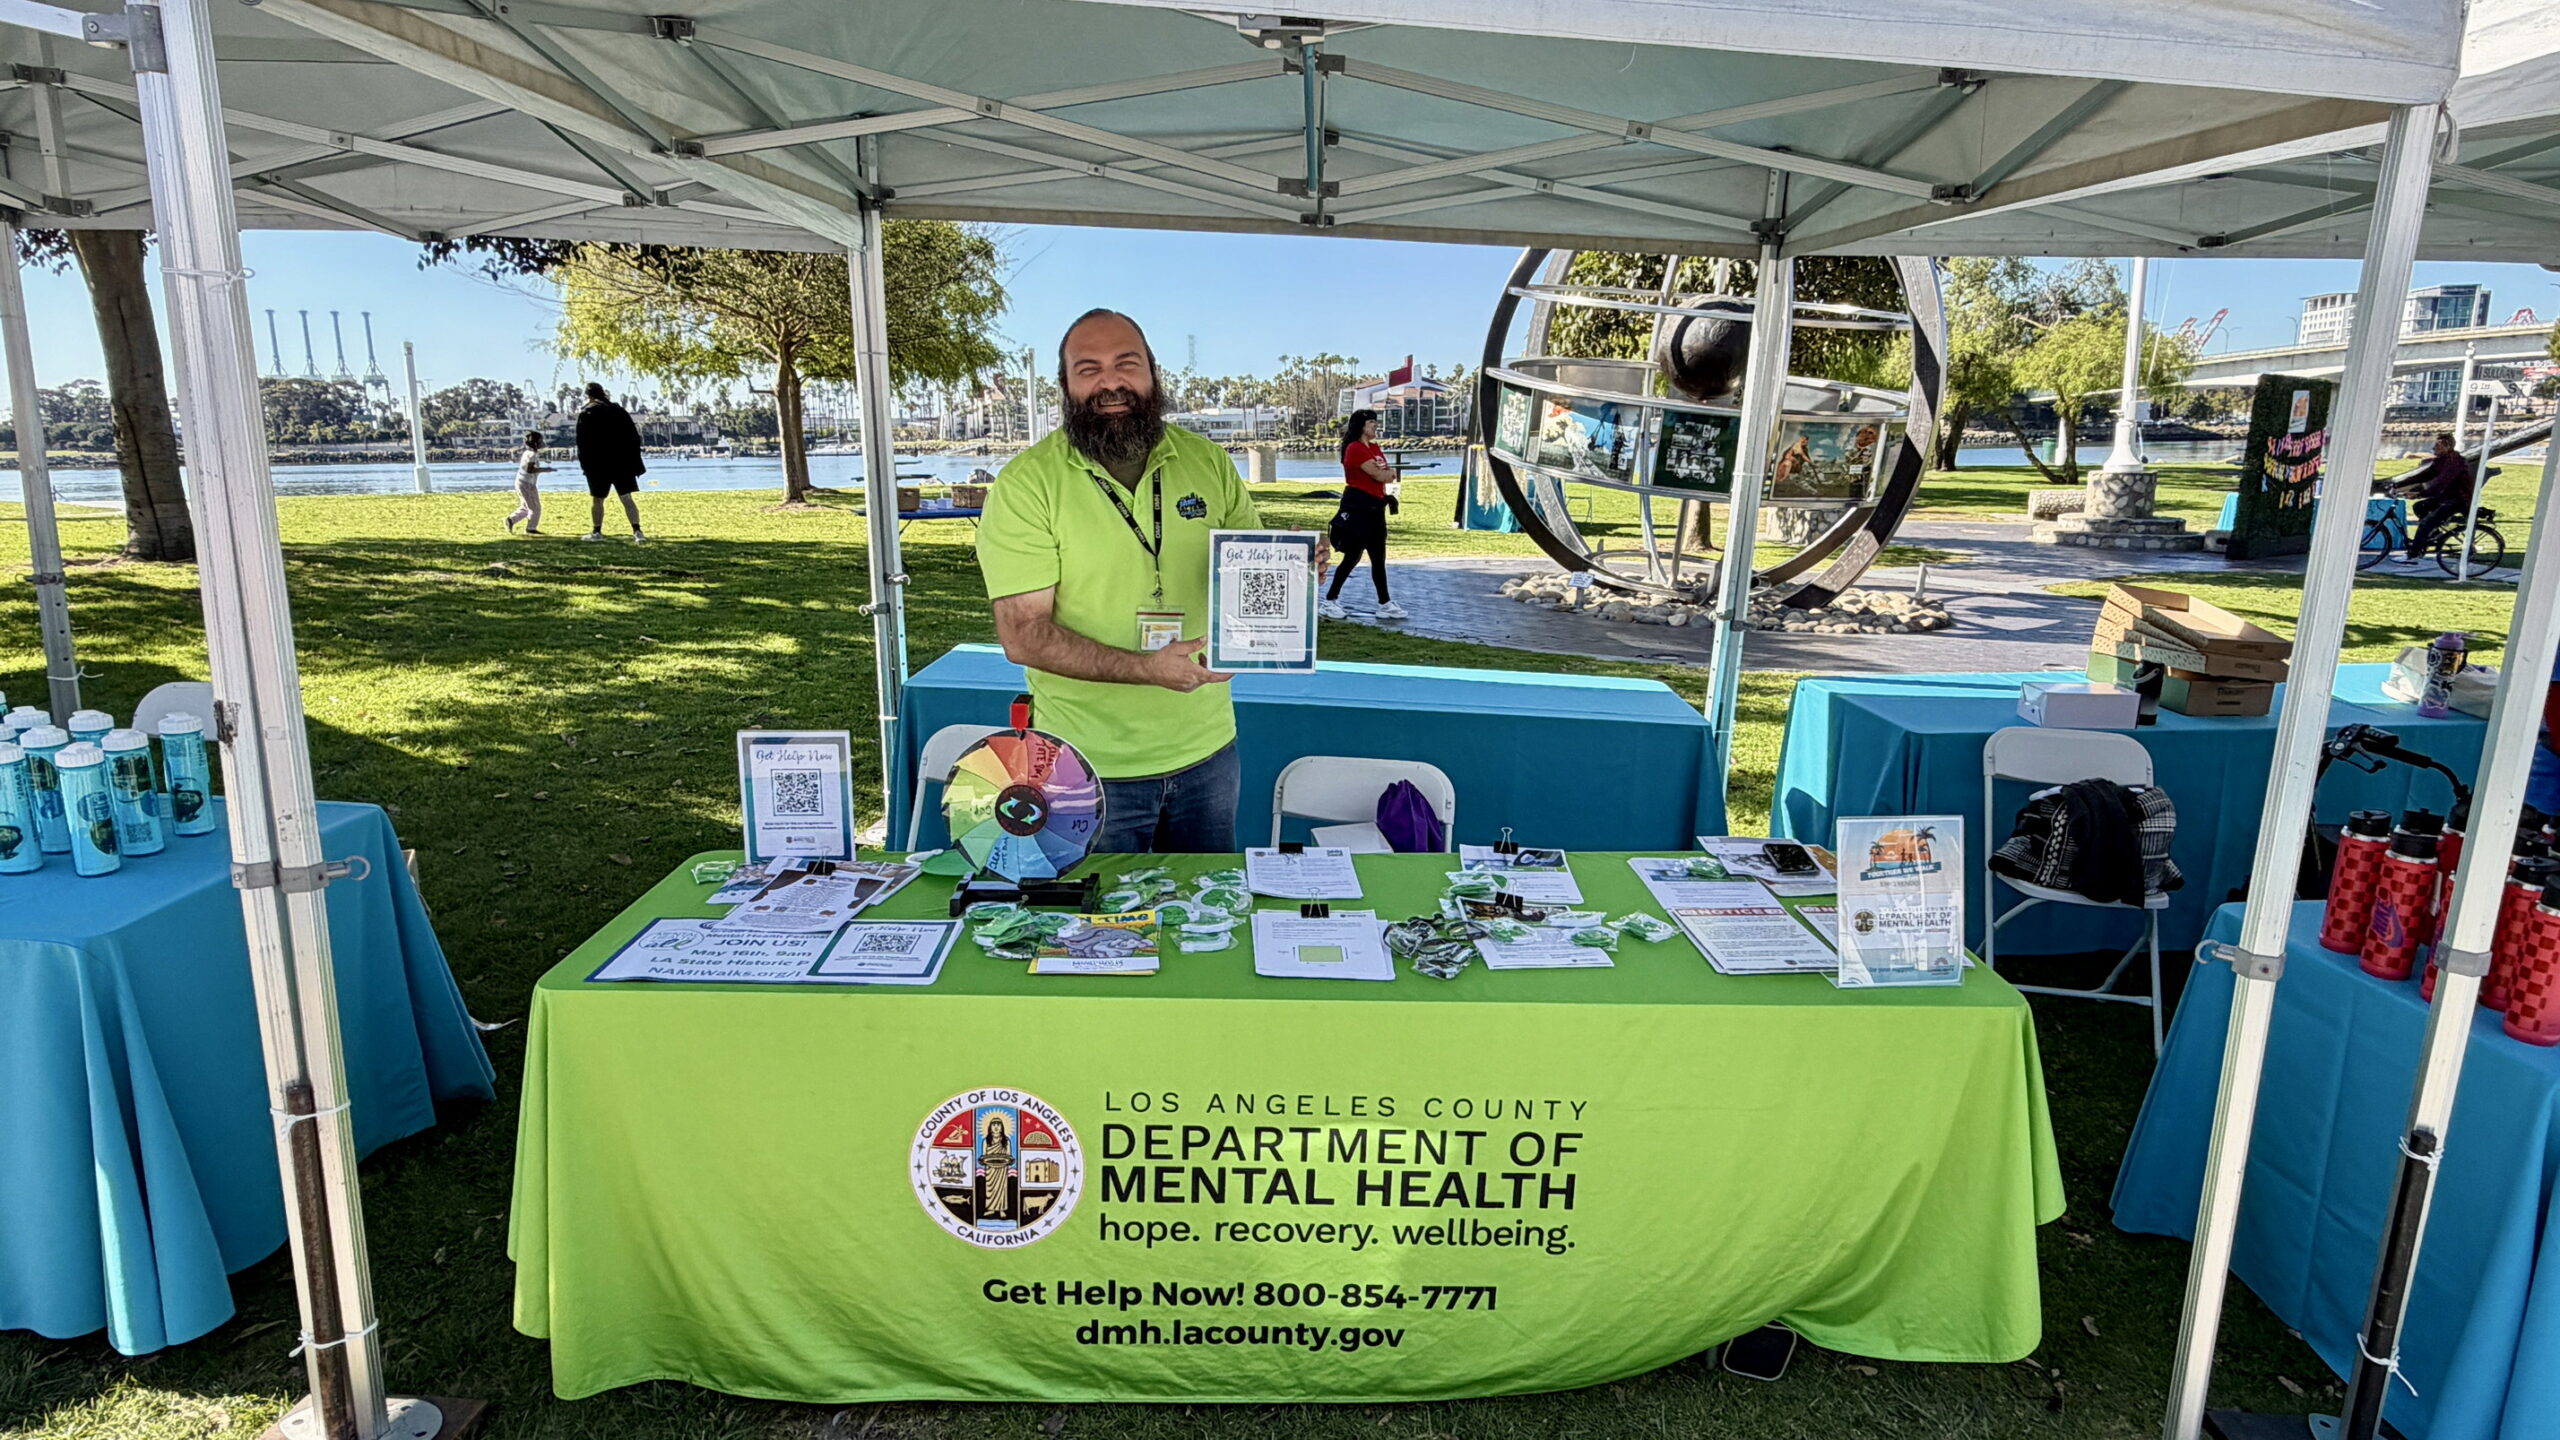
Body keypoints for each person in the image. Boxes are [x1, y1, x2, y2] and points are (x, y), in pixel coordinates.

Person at [977, 309, 1295, 854]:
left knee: (1206, 904)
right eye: (1089, 369)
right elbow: (1023, 635)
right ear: (1066, 385)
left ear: (1152, 372)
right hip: (1086, 767)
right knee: (1096, 911)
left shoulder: (1208, 462)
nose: (1110, 383)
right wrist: (1146, 669)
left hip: (1207, 753)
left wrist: (1291, 572)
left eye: (1127, 364)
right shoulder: (1027, 484)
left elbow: (1247, 576)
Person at [1321, 408, 1405, 621]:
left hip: (1376, 508)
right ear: (1361, 426)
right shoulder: (1354, 448)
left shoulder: (1374, 448)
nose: (1375, 425)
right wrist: (1387, 473)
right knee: (1352, 556)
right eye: (1371, 422)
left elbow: (1388, 474)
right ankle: (1330, 600)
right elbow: (1379, 474)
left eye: (1376, 422)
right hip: (1359, 509)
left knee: (1378, 557)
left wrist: (1387, 474)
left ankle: (1385, 603)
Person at [573, 382, 647, 543]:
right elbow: (633, 437)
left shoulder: (587, 413)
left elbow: (582, 442)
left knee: (598, 499)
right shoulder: (619, 411)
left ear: (588, 395)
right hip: (622, 463)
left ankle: (597, 532)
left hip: (598, 464)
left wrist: (585, 464)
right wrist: (633, 461)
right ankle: (637, 531)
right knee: (626, 498)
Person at [2395, 432, 2474, 566]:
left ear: (2447, 447)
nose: (2433, 449)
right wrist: (2399, 483)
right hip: (2446, 497)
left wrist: (2419, 494)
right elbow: (2426, 475)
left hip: (2457, 500)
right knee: (2419, 507)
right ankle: (2433, 535)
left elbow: (2441, 484)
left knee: (2425, 524)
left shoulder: (2454, 462)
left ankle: (2413, 555)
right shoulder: (2442, 460)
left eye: (2437, 446)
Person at [505, 430, 552, 535]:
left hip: (521, 482)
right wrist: (545, 470)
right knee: (535, 508)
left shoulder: (527, 453)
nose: (543, 442)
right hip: (527, 484)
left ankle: (511, 520)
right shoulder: (532, 455)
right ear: (536, 443)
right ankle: (531, 528)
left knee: (526, 507)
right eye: (541, 440)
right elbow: (530, 470)